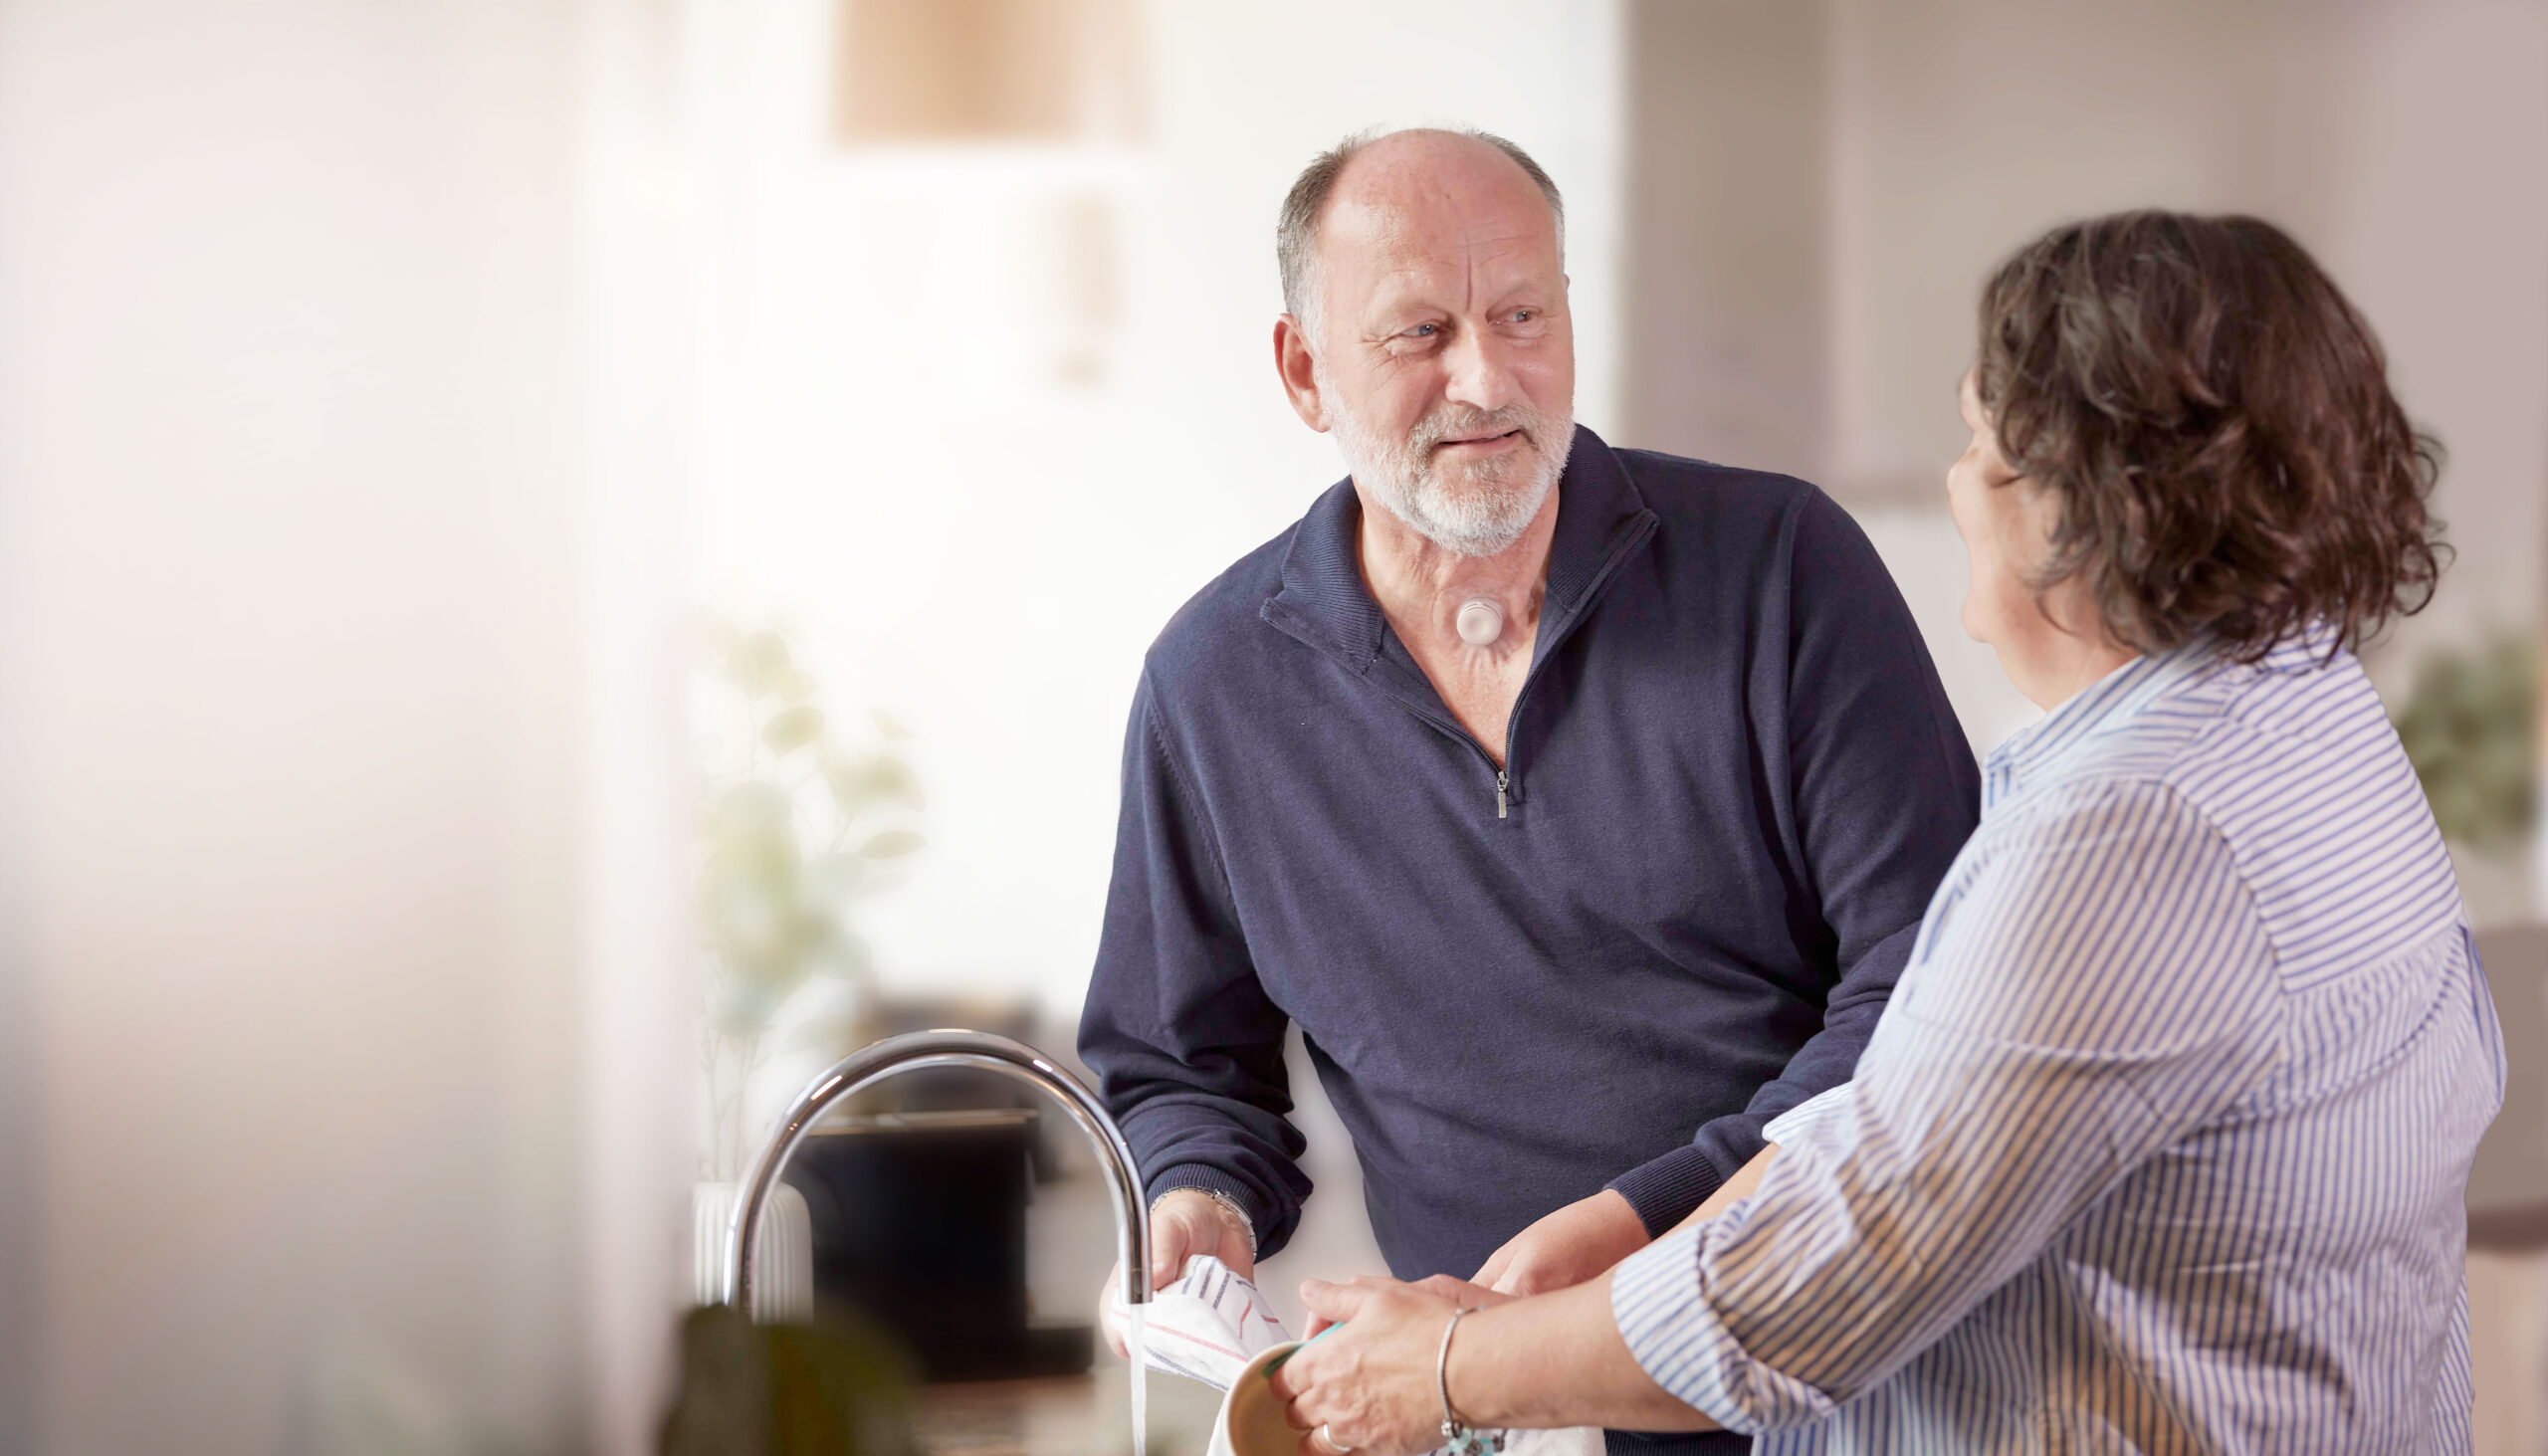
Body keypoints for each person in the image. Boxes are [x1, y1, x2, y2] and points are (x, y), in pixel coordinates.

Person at [1269, 209, 2503, 1454]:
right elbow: (1910, 1129)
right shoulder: (2304, 706)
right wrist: (1639, 1225)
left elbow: (1797, 1305)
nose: (1959, 480)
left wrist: (1443, 1368)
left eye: (1980, 442)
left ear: (2086, 504)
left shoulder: (2130, 839)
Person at [1075, 125, 1981, 1454]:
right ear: (1303, 371)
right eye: (1421, 332)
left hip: (1853, 1391)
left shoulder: (1786, 569)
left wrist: (1632, 1222)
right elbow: (1177, 1064)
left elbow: (1937, 1001)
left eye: (1522, 315)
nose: (1487, 377)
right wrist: (1195, 1200)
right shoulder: (1211, 685)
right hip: (1487, 1421)